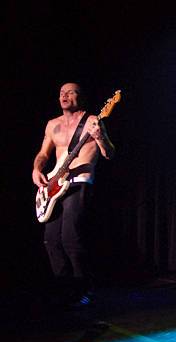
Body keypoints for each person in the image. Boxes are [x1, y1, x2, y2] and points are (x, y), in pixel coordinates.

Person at [32, 82, 115, 306]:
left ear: (81, 96)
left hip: (80, 182)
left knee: (70, 237)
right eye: (61, 93)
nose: (64, 96)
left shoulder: (92, 121)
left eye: (70, 92)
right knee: (51, 240)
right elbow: (42, 153)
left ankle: (83, 288)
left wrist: (99, 137)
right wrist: (37, 169)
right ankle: (64, 287)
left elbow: (109, 154)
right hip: (54, 185)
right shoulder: (52, 125)